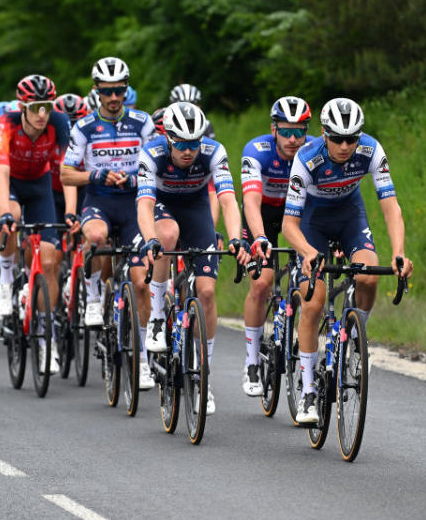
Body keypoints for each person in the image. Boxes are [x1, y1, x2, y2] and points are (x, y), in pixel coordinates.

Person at [281, 97, 412, 423]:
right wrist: (309, 252)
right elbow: (288, 225)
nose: (344, 145)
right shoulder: (306, 158)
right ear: (324, 134)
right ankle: (309, 391)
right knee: (314, 301)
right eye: (337, 138)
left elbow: (391, 206)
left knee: (368, 275)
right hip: (312, 220)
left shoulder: (370, 150)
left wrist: (399, 252)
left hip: (350, 215)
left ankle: (355, 340)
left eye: (351, 138)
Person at [137, 101, 252, 415]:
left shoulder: (214, 152)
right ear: (169, 138)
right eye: (181, 145)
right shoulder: (153, 153)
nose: (189, 151)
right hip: (162, 208)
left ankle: (204, 375)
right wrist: (150, 239)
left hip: (196, 210)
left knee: (207, 291)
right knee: (168, 236)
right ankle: (159, 315)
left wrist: (233, 238)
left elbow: (228, 201)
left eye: (194, 144)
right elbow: (145, 205)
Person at [60, 57, 155, 389]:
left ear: (126, 89)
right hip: (99, 201)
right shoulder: (83, 127)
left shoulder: (143, 122)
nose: (114, 98)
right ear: (96, 91)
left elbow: (156, 161)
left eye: (119, 91)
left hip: (133, 205)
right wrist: (96, 174)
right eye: (107, 92)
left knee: (141, 281)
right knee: (97, 236)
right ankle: (92, 292)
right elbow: (65, 173)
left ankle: (144, 359)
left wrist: (135, 177)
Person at [0, 74, 72, 373]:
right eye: (36, 107)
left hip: (39, 186)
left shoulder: (60, 123)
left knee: (48, 261)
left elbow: (67, 172)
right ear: (23, 106)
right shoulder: (5, 124)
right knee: (10, 217)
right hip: (10, 181)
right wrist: (2, 213)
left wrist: (72, 213)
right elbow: (0, 172)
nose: (42, 114)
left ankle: (45, 336)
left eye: (47, 107)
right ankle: (6, 278)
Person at [239, 96, 313, 397]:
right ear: (274, 130)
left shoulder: (313, 151)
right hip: (264, 216)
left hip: (300, 214)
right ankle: (253, 360)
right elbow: (251, 202)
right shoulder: (256, 152)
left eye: (300, 131)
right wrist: (259, 239)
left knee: (310, 281)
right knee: (262, 283)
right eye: (286, 131)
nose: (293, 139)